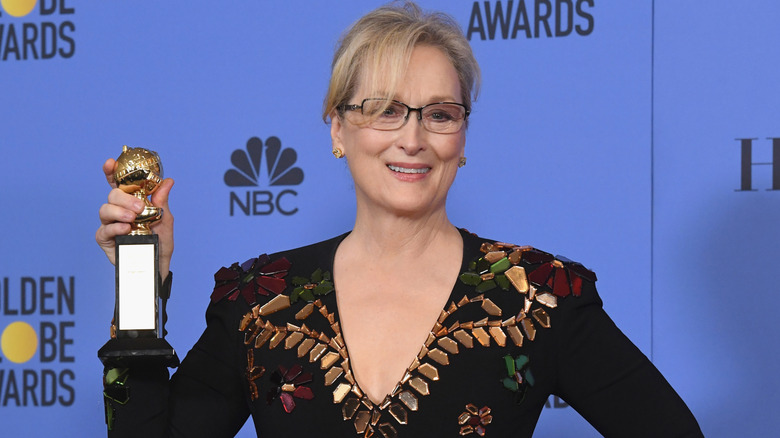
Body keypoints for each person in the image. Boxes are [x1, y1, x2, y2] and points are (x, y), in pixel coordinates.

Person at [96, 2, 703, 437]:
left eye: (439, 114)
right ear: (338, 129)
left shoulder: (536, 295)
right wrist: (140, 275)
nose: (412, 138)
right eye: (384, 110)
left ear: (462, 137)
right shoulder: (260, 302)